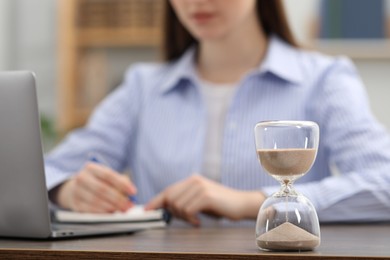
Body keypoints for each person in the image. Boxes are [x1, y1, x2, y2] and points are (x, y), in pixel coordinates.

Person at [46, 0, 390, 227]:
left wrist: (253, 202)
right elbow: (47, 170)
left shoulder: (323, 80)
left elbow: (384, 181)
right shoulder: (142, 88)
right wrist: (66, 190)